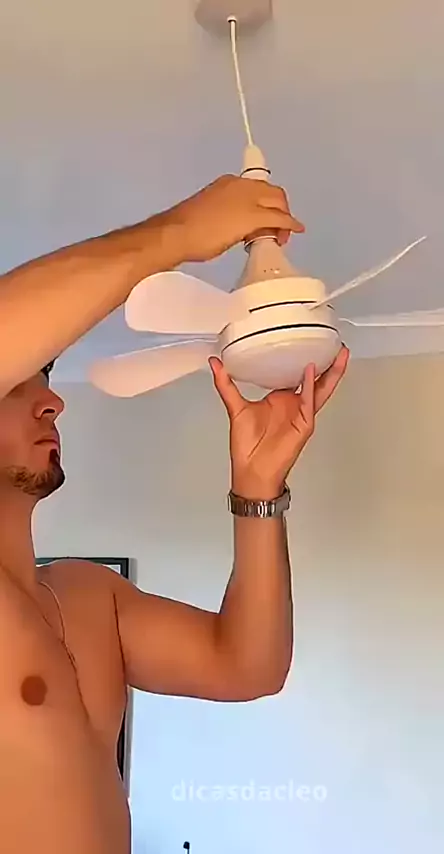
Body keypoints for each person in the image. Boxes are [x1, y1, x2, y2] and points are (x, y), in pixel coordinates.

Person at [0, 174, 349, 854]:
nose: (53, 402)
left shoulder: (88, 596)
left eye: (47, 382)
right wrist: (178, 234)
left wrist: (258, 490)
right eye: (17, 384)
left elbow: (247, 667)